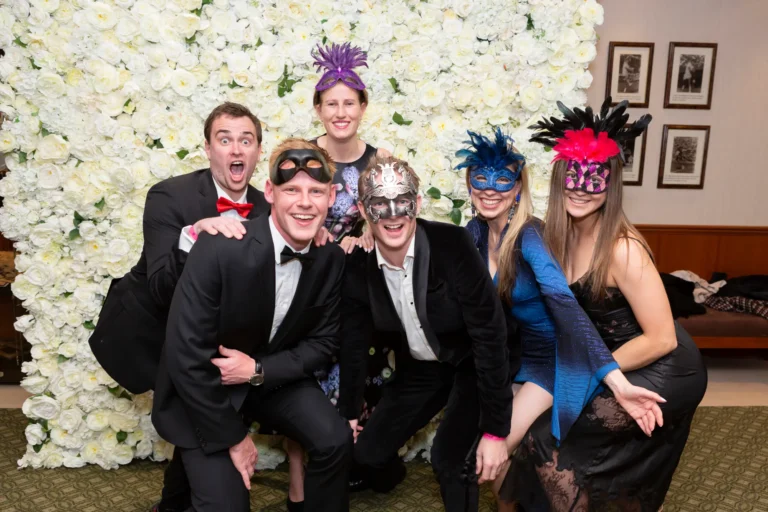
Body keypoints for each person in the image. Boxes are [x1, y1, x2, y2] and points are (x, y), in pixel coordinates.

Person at [502, 98, 707, 510]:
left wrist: (591, 374)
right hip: (609, 360)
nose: (581, 186)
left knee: (549, 443)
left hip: (661, 364)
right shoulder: (559, 236)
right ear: (559, 179)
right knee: (546, 444)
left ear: (611, 184)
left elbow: (662, 338)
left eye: (594, 177)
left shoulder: (623, 249)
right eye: (572, 176)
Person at [458, 128, 668, 512]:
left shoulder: (530, 235)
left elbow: (565, 306)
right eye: (479, 179)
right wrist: (371, 235)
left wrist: (617, 383)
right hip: (517, 361)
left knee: (495, 444)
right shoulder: (473, 234)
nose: (490, 189)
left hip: (554, 362)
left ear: (518, 187)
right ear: (468, 185)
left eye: (502, 179)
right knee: (500, 449)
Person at [151, 138, 351, 512]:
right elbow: (185, 355)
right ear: (270, 192)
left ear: (331, 196)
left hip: (270, 379)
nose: (305, 202)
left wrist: (258, 371)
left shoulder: (330, 258)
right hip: (208, 387)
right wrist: (234, 436)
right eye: (292, 190)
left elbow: (324, 343)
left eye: (316, 191)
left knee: (334, 439)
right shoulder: (220, 246)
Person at [89, 102, 270, 512]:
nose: (236, 149)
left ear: (258, 150)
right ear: (208, 148)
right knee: (193, 418)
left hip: (220, 350)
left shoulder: (269, 208)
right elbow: (161, 288)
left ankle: (171, 505)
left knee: (197, 425)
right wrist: (193, 237)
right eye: (225, 140)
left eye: (247, 140)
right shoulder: (170, 196)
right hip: (161, 336)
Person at [337, 155, 512, 512]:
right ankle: (392, 479)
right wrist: (349, 414)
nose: (392, 215)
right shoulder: (358, 264)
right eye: (378, 205)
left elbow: (490, 335)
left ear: (417, 203)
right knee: (366, 454)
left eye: (401, 202)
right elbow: (354, 343)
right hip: (421, 369)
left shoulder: (452, 243)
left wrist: (496, 431)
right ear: (362, 209)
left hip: (470, 363)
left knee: (449, 459)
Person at [280, 43, 392, 510]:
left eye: (350, 103)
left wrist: (368, 232)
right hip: (311, 281)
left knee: (354, 377)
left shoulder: (380, 158)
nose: (341, 112)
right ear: (319, 109)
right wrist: (317, 228)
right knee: (304, 376)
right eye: (332, 104)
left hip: (361, 287)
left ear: (363, 108)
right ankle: (298, 484)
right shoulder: (303, 156)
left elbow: (396, 216)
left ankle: (344, 465)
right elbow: (283, 206)